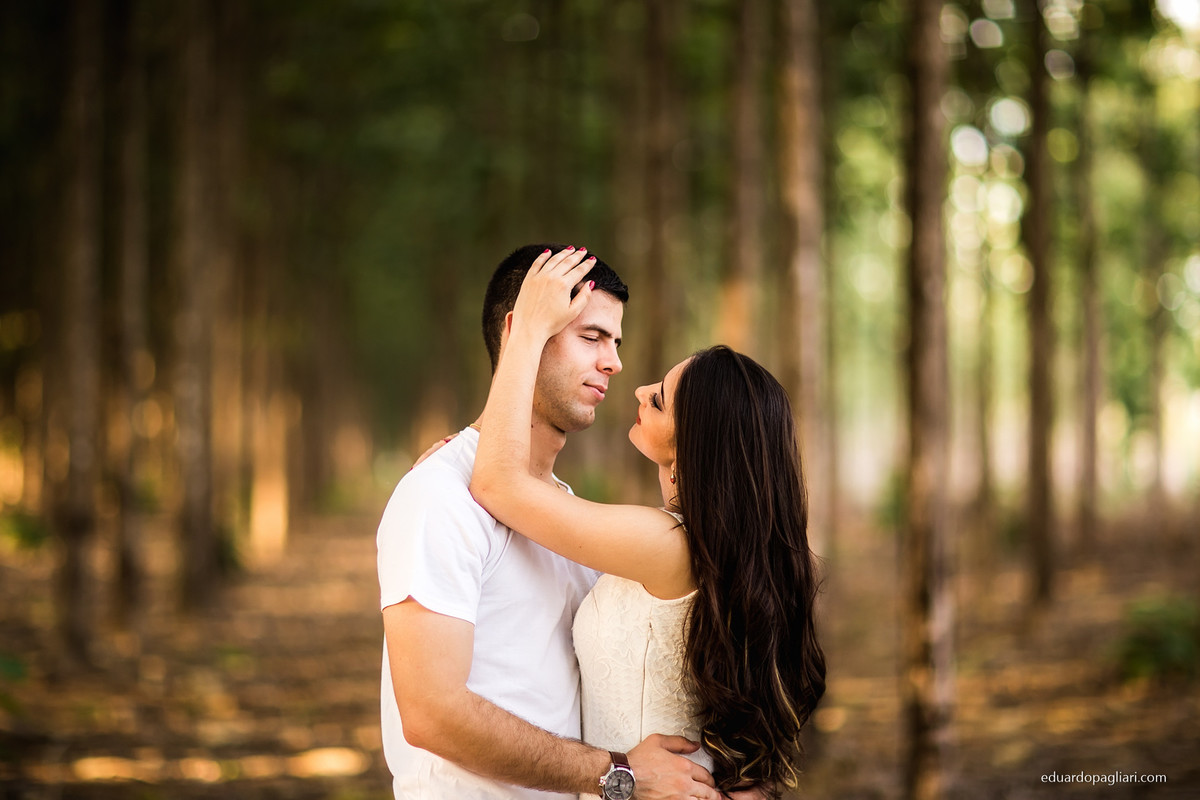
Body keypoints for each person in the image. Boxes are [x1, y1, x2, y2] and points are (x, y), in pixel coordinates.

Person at [468, 248, 827, 798]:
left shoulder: (665, 544)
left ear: (694, 446)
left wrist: (528, 334)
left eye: (658, 399)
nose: (636, 387)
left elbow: (497, 485)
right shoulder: (703, 548)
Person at [377, 244, 725, 800]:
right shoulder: (440, 495)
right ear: (523, 333)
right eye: (591, 337)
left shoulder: (569, 518)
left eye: (615, 343)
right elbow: (431, 714)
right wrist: (618, 774)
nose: (613, 363)